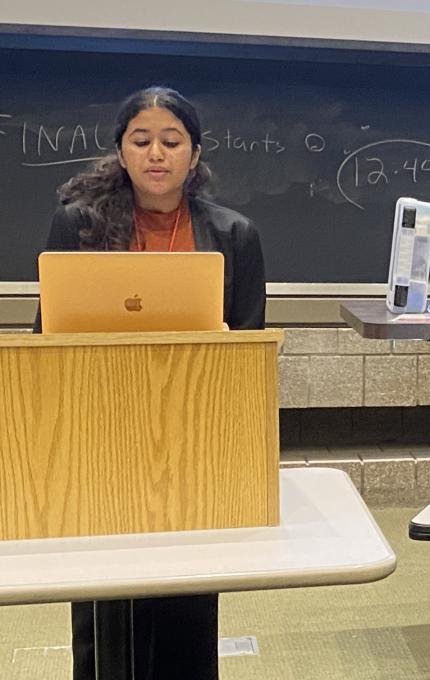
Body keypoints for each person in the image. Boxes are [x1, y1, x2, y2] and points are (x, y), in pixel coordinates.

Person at [36, 86, 265, 680]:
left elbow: (252, 352)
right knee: (104, 601)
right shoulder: (77, 225)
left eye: (171, 141)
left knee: (189, 598)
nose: (156, 153)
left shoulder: (235, 234)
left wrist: (218, 341)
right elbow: (47, 338)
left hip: (195, 439)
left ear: (194, 153)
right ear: (121, 150)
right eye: (141, 141)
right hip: (98, 433)